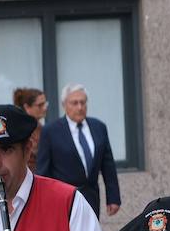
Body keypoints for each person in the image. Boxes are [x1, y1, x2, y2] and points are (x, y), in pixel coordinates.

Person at [36, 83, 121, 219]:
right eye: (74, 103)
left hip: (92, 198)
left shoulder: (99, 127)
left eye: (83, 102)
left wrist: (113, 197)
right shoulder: (51, 131)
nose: (80, 107)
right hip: (63, 200)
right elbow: (43, 171)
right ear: (64, 105)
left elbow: (108, 164)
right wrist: (42, 202)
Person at [13, 86, 47, 171]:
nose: (45, 108)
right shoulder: (20, 129)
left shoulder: (41, 127)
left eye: (45, 104)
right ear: (27, 107)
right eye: (40, 105)